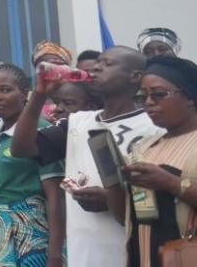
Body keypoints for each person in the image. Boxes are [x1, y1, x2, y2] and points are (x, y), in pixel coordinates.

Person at [10, 46, 156, 267]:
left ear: (135, 76)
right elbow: (21, 148)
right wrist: (39, 95)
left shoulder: (152, 126)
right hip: (84, 255)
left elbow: (158, 199)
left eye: (107, 64)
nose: (97, 67)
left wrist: (112, 200)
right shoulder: (79, 122)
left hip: (129, 254)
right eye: (97, 62)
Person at [106, 55, 197, 266]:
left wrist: (170, 183)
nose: (148, 103)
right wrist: (112, 178)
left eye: (158, 94)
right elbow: (126, 217)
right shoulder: (144, 147)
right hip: (142, 257)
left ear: (190, 97)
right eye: (142, 96)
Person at [0, 64, 64, 267]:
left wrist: (54, 253)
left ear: (25, 93)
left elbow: (56, 196)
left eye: (5, 90)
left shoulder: (40, 129)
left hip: (30, 237)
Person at [29, 42, 74, 122]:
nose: (51, 68)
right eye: (45, 65)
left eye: (56, 64)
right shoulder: (30, 99)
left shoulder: (76, 95)